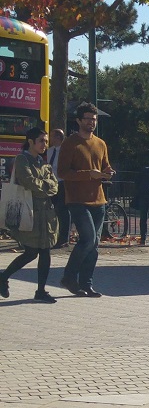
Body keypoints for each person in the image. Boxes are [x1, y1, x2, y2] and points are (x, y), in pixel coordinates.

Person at [58, 102, 114, 297]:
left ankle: (86, 283)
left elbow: (105, 167)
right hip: (77, 200)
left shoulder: (101, 143)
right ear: (78, 120)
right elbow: (63, 172)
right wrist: (89, 174)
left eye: (94, 119)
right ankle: (69, 277)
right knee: (88, 240)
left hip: (99, 200)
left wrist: (108, 173)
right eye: (88, 119)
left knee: (94, 244)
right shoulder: (69, 143)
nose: (91, 123)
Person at [0, 127, 60, 303]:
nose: (45, 144)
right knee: (31, 252)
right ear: (31, 141)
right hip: (29, 212)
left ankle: (41, 290)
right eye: (41, 140)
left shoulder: (42, 162)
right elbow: (28, 181)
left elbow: (54, 186)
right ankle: (3, 277)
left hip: (46, 215)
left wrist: (44, 186)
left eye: (46, 141)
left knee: (45, 251)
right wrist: (45, 187)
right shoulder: (22, 159)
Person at [45, 127, 70, 247]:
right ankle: (55, 234)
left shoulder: (66, 151)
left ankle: (64, 237)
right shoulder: (50, 151)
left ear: (58, 138)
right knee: (54, 209)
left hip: (63, 182)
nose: (50, 139)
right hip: (52, 183)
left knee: (62, 209)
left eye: (52, 136)